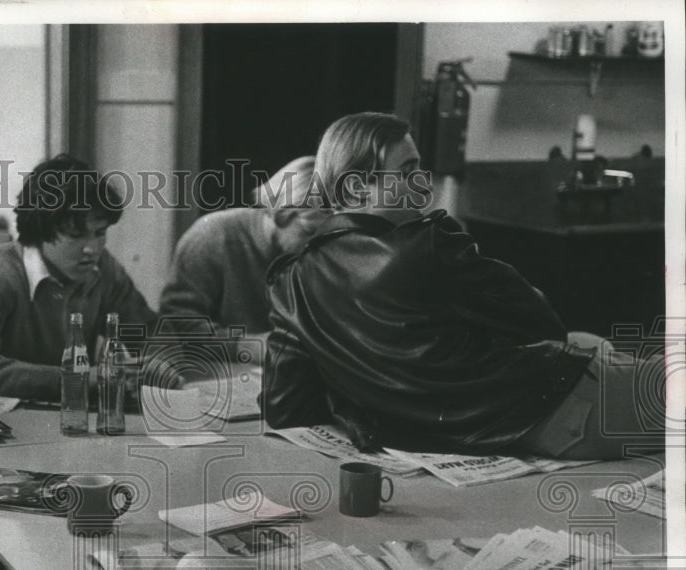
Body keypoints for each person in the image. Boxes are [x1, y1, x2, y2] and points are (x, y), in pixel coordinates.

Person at [263, 112, 665, 459]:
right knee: (605, 353)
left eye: (419, 168)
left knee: (590, 343)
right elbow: (542, 323)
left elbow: (286, 412)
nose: (423, 183)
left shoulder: (289, 282)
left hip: (503, 424)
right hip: (560, 412)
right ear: (354, 188)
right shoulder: (429, 243)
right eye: (406, 173)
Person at [0, 154, 158, 402]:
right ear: (40, 230)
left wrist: (160, 364)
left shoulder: (104, 269)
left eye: (99, 233)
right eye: (76, 235)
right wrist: (78, 379)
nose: (92, 248)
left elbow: (149, 331)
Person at [157, 156, 325, 341]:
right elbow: (176, 325)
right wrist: (245, 345)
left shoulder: (311, 259)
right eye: (311, 234)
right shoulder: (211, 237)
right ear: (284, 215)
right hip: (215, 366)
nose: (319, 250)